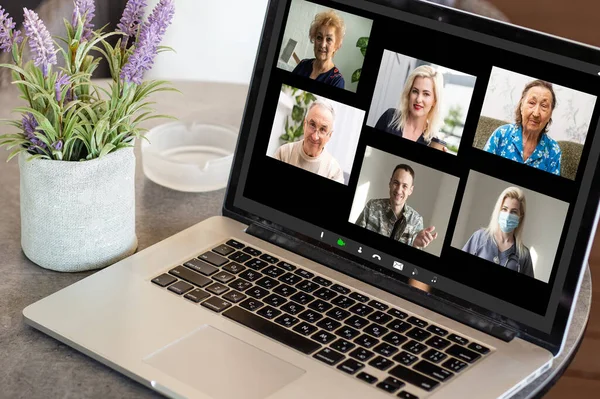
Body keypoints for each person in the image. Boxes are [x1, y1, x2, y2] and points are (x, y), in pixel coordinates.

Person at [483, 80, 561, 175]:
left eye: (544, 106)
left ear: (550, 114)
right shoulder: (501, 134)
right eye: (532, 103)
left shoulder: (553, 150)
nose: (536, 113)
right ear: (521, 106)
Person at [355, 164, 438, 249]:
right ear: (390, 183)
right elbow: (354, 239)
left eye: (405, 186)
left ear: (411, 190)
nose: (399, 190)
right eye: (396, 183)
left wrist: (415, 245)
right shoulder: (372, 206)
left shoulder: (416, 220)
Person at [462, 187, 534, 278]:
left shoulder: (524, 255)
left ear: (520, 216)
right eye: (504, 209)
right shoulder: (479, 237)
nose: (508, 215)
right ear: (498, 210)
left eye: (514, 212)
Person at [273, 100, 344, 183]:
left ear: (329, 136)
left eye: (322, 130)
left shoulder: (334, 172)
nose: (315, 137)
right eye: (312, 125)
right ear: (304, 125)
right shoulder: (283, 153)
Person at [374, 65, 444, 147]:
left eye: (426, 94)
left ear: (434, 101)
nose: (418, 99)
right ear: (408, 93)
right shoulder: (390, 117)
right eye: (415, 91)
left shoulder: (432, 143)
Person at [291, 10, 345, 89]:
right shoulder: (303, 64)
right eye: (319, 37)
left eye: (329, 39)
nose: (322, 45)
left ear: (336, 46)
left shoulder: (337, 81)